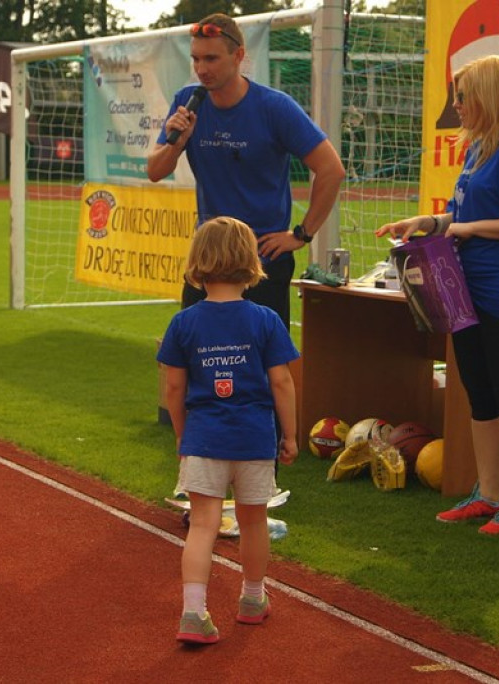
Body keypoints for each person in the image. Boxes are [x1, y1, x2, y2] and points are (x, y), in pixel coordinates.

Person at [376, 55, 499, 535]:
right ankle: (489, 494)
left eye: (464, 95)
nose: (457, 105)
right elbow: (462, 218)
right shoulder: (477, 151)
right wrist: (427, 224)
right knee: (479, 394)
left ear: (491, 96)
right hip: (464, 291)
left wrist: (466, 228)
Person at [147, 12, 345, 327]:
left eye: (211, 59)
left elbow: (332, 169)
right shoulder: (188, 101)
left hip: (263, 261)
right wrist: (176, 142)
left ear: (238, 56)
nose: (201, 69)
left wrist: (301, 234)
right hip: (208, 259)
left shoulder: (275, 107)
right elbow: (155, 171)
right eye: (196, 59)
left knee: (263, 363)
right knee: (196, 356)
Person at [157, 217, 299, 644]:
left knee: (203, 525)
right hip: (254, 438)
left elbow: (174, 387)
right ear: (250, 262)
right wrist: (289, 436)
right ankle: (252, 599)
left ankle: (193, 612)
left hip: (204, 438)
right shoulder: (266, 319)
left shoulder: (184, 322)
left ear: (198, 262)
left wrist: (183, 434)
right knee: (254, 522)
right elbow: (282, 382)